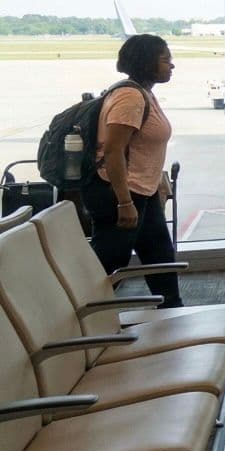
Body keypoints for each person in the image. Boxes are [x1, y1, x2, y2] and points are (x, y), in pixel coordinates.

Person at [82, 34, 183, 308]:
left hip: (143, 191)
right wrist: (124, 202)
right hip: (122, 194)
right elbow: (113, 152)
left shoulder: (144, 92)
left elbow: (140, 149)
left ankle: (172, 311)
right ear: (147, 62)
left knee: (159, 254)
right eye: (165, 60)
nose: (171, 65)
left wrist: (154, 181)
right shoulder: (130, 97)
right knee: (109, 261)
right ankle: (78, 318)